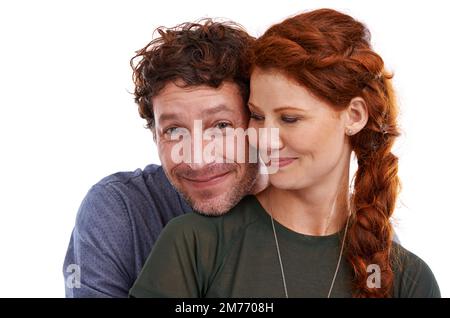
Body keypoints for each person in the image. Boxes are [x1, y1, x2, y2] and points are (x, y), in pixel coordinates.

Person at [129, 9, 440, 298]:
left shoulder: (408, 277)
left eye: (289, 118)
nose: (266, 139)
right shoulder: (195, 245)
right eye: (258, 116)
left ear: (354, 116)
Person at [63, 19, 264, 297]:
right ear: (155, 136)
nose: (197, 160)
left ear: (258, 125)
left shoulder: (308, 210)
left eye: (221, 126)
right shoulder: (117, 210)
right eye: (174, 130)